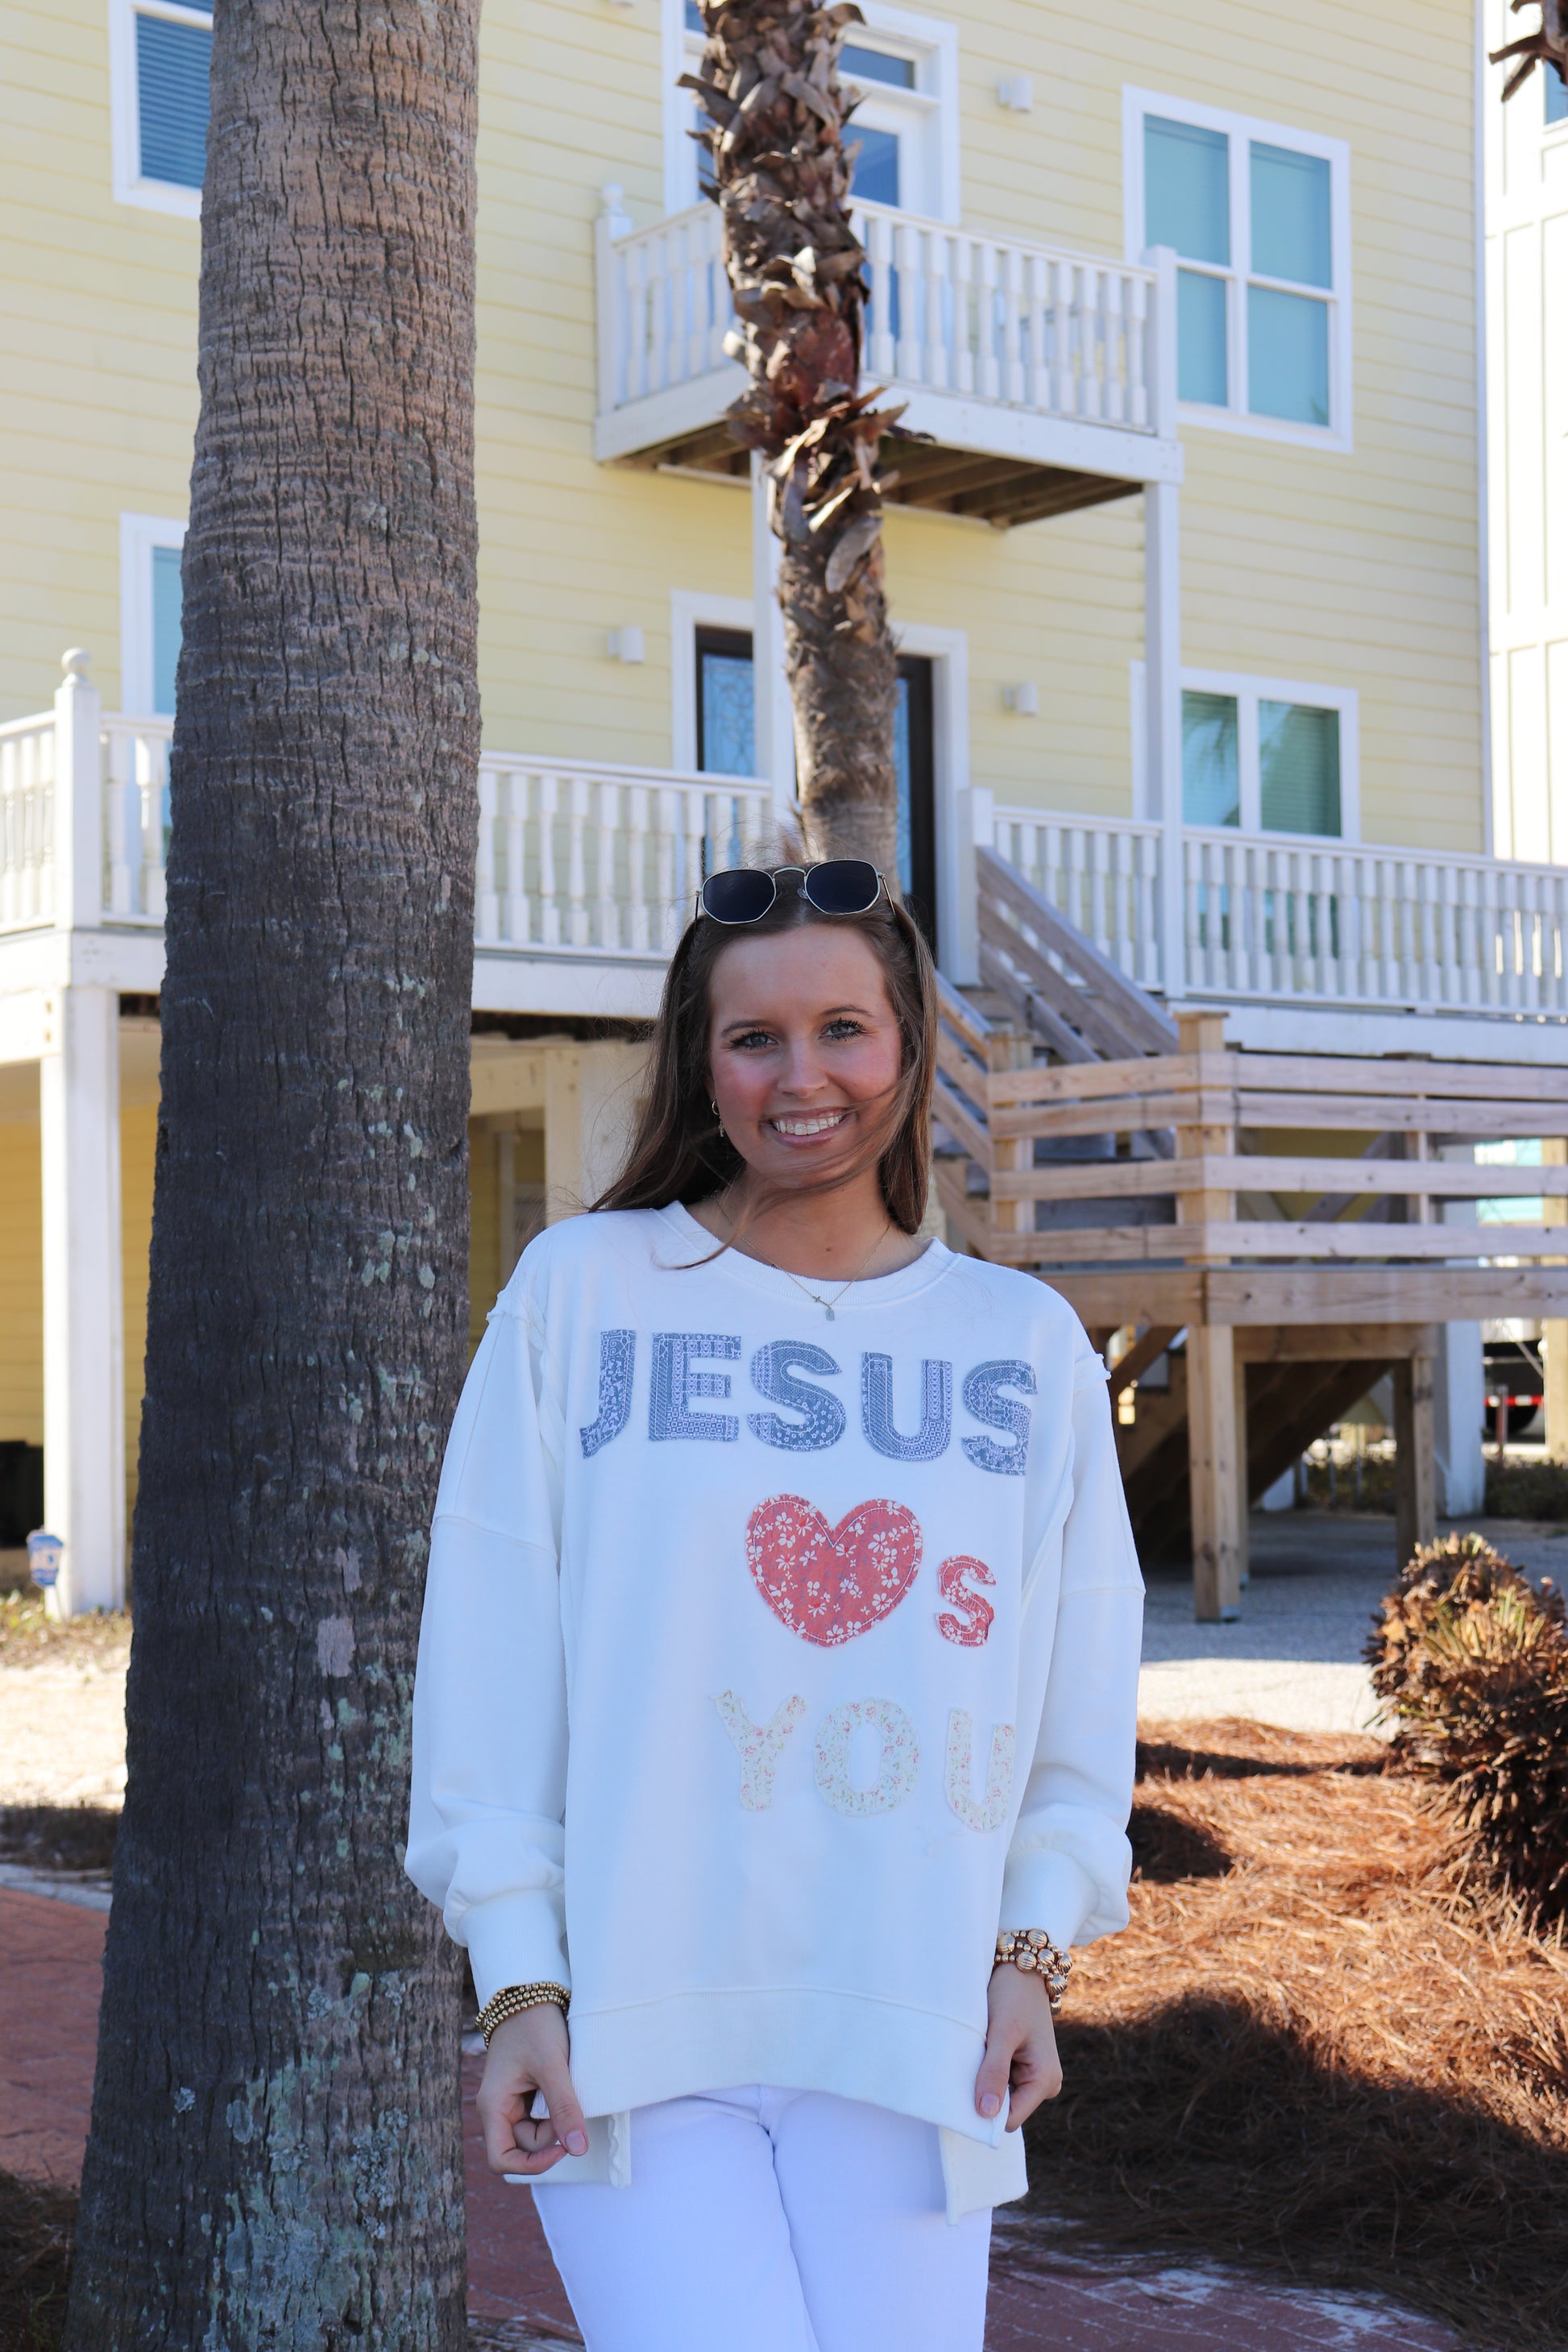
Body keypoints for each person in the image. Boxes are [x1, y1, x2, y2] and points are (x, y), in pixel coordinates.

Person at [405, 858, 1143, 2352]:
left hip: (914, 2024)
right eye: (754, 1039)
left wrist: (1031, 1952)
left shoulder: (1022, 1344)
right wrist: (516, 1978)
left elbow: (1077, 1680)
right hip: (633, 2027)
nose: (801, 1077)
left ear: (909, 1044)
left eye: (841, 1029)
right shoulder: (583, 1293)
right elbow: (488, 1653)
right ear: (703, 1064)